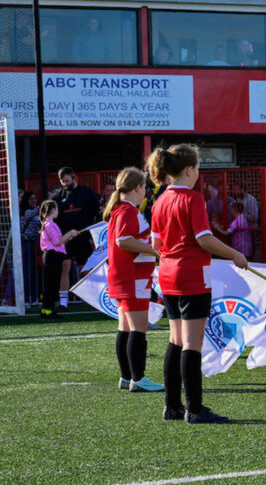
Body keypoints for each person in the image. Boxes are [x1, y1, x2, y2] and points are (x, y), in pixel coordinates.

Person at [149, 144, 248, 424]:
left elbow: (156, 245)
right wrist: (234, 254)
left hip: (166, 274)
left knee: (175, 340)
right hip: (192, 275)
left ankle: (172, 406)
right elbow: (204, 238)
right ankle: (194, 408)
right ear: (191, 170)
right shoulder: (192, 199)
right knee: (192, 343)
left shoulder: (159, 201)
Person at [103, 167, 164, 393]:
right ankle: (138, 378)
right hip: (133, 277)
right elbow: (123, 240)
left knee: (126, 329)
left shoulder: (119, 209)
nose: (146, 192)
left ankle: (127, 377)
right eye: (145, 187)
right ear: (138, 187)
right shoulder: (128, 211)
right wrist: (154, 251)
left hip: (124, 276)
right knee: (138, 330)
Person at [51, 167, 101, 312]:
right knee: (64, 268)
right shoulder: (58, 197)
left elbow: (97, 213)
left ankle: (95, 300)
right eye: (62, 181)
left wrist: (92, 233)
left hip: (83, 237)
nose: (65, 184)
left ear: (74, 177)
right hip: (65, 240)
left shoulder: (87, 193)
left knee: (86, 269)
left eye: (67, 180)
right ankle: (63, 303)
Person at [38, 200, 79, 319]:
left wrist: (69, 237)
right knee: (52, 284)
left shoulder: (48, 224)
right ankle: (48, 310)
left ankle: (46, 310)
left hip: (52, 256)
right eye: (56, 209)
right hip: (53, 256)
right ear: (52, 210)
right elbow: (57, 242)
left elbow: (60, 242)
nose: (58, 212)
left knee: (50, 283)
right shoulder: (50, 225)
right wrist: (70, 232)